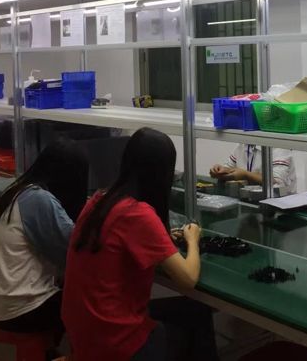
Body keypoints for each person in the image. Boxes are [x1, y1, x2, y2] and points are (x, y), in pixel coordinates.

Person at [62, 127, 217, 361]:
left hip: (82, 330)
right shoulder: (138, 214)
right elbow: (188, 278)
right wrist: (193, 239)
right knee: (197, 314)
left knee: (189, 312)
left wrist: (160, 238)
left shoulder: (99, 199)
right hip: (114, 340)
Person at [0, 140, 88, 341]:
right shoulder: (39, 199)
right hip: (23, 310)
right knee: (91, 303)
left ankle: (49, 350)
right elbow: (73, 251)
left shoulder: (16, 190)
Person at [209, 144, 296, 194]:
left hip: (279, 204)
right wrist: (221, 171)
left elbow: (276, 182)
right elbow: (230, 167)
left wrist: (246, 175)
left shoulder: (279, 147)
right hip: (250, 199)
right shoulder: (243, 145)